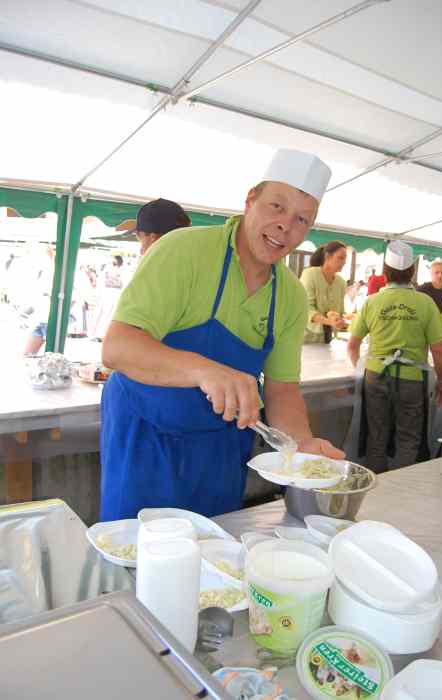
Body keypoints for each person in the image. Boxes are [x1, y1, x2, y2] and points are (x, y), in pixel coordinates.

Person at [100, 149, 344, 521]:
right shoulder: (183, 250)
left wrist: (300, 446)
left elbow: (282, 391)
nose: (285, 226)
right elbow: (117, 347)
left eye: (301, 219)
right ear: (250, 200)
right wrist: (203, 370)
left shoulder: (291, 296)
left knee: (218, 543)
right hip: (146, 438)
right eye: (276, 206)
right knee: (138, 547)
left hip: (221, 448)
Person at [347, 241, 442, 473]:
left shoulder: (372, 301)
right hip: (412, 379)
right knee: (408, 437)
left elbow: (352, 346)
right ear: (412, 271)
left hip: (376, 374)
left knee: (376, 435)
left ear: (385, 272)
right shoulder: (425, 302)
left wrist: (360, 371)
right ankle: (401, 489)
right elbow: (439, 350)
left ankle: (376, 486)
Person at [300, 241, 347, 343]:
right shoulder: (310, 274)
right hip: (305, 335)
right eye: (340, 258)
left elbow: (340, 311)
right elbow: (306, 308)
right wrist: (329, 321)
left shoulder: (341, 283)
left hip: (327, 336)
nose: (344, 262)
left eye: (345, 258)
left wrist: (340, 320)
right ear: (328, 256)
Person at [91, 255, 126, 341]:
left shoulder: (123, 271)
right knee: (101, 313)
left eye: (113, 263)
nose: (111, 264)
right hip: (106, 293)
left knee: (108, 314)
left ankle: (101, 334)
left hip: (114, 294)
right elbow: (101, 281)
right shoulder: (107, 269)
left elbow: (124, 284)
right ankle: (95, 333)